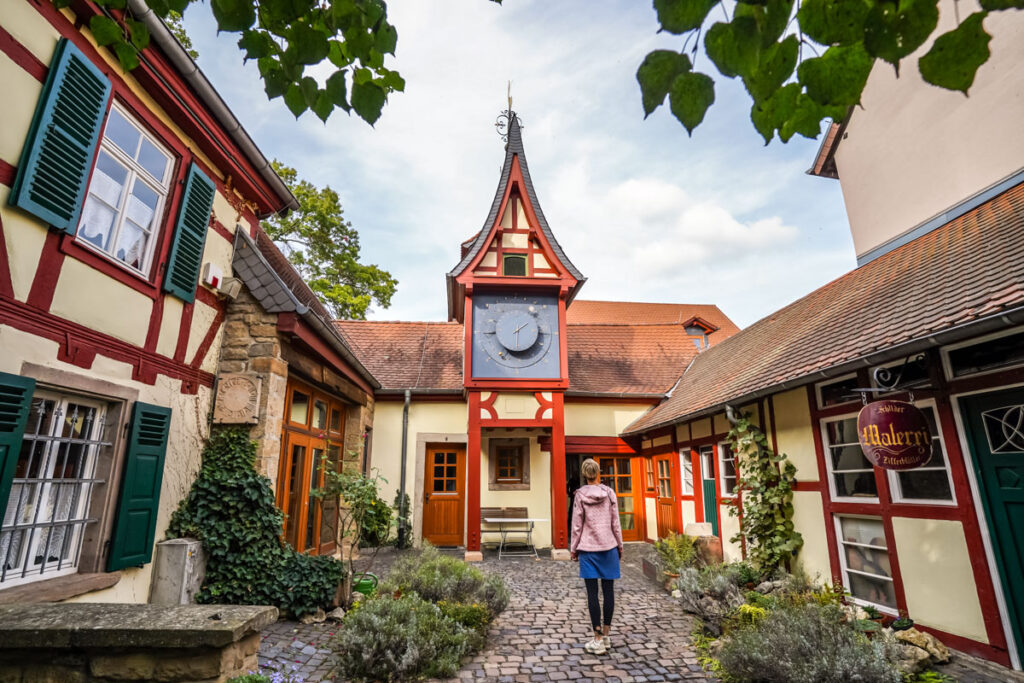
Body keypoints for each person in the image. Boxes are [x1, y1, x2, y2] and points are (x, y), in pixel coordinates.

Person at [570, 458, 623, 655]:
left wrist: (573, 548)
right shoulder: (609, 493)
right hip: (609, 547)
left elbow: (577, 525)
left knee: (592, 594)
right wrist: (619, 546)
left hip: (588, 549)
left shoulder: (580, 495)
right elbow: (616, 523)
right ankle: (606, 635)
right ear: (598, 472)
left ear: (584, 474)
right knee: (608, 592)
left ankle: (598, 638)